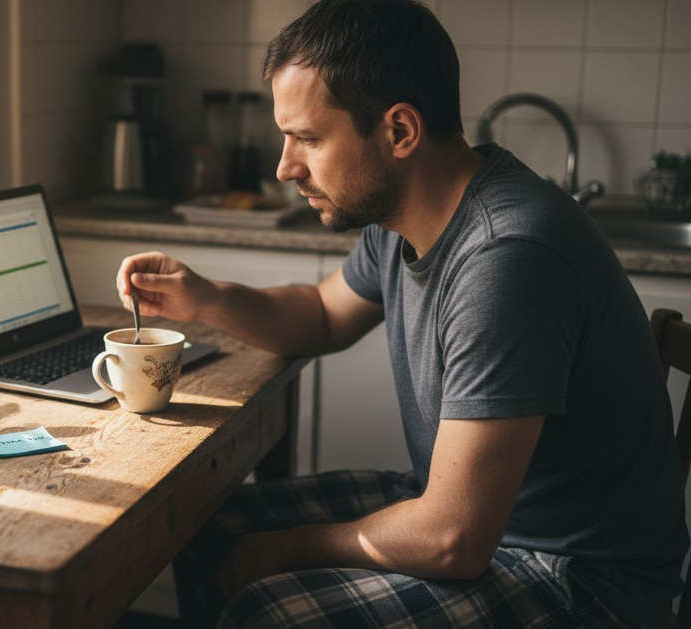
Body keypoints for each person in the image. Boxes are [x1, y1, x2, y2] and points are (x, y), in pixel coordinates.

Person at [114, 1, 689, 627]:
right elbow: (321, 314)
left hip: (577, 578)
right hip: (469, 519)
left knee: (266, 610)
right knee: (207, 531)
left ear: (399, 132)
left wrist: (283, 550)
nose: (285, 167)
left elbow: (450, 536)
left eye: (306, 138)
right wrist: (207, 297)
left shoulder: (508, 256)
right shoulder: (406, 211)